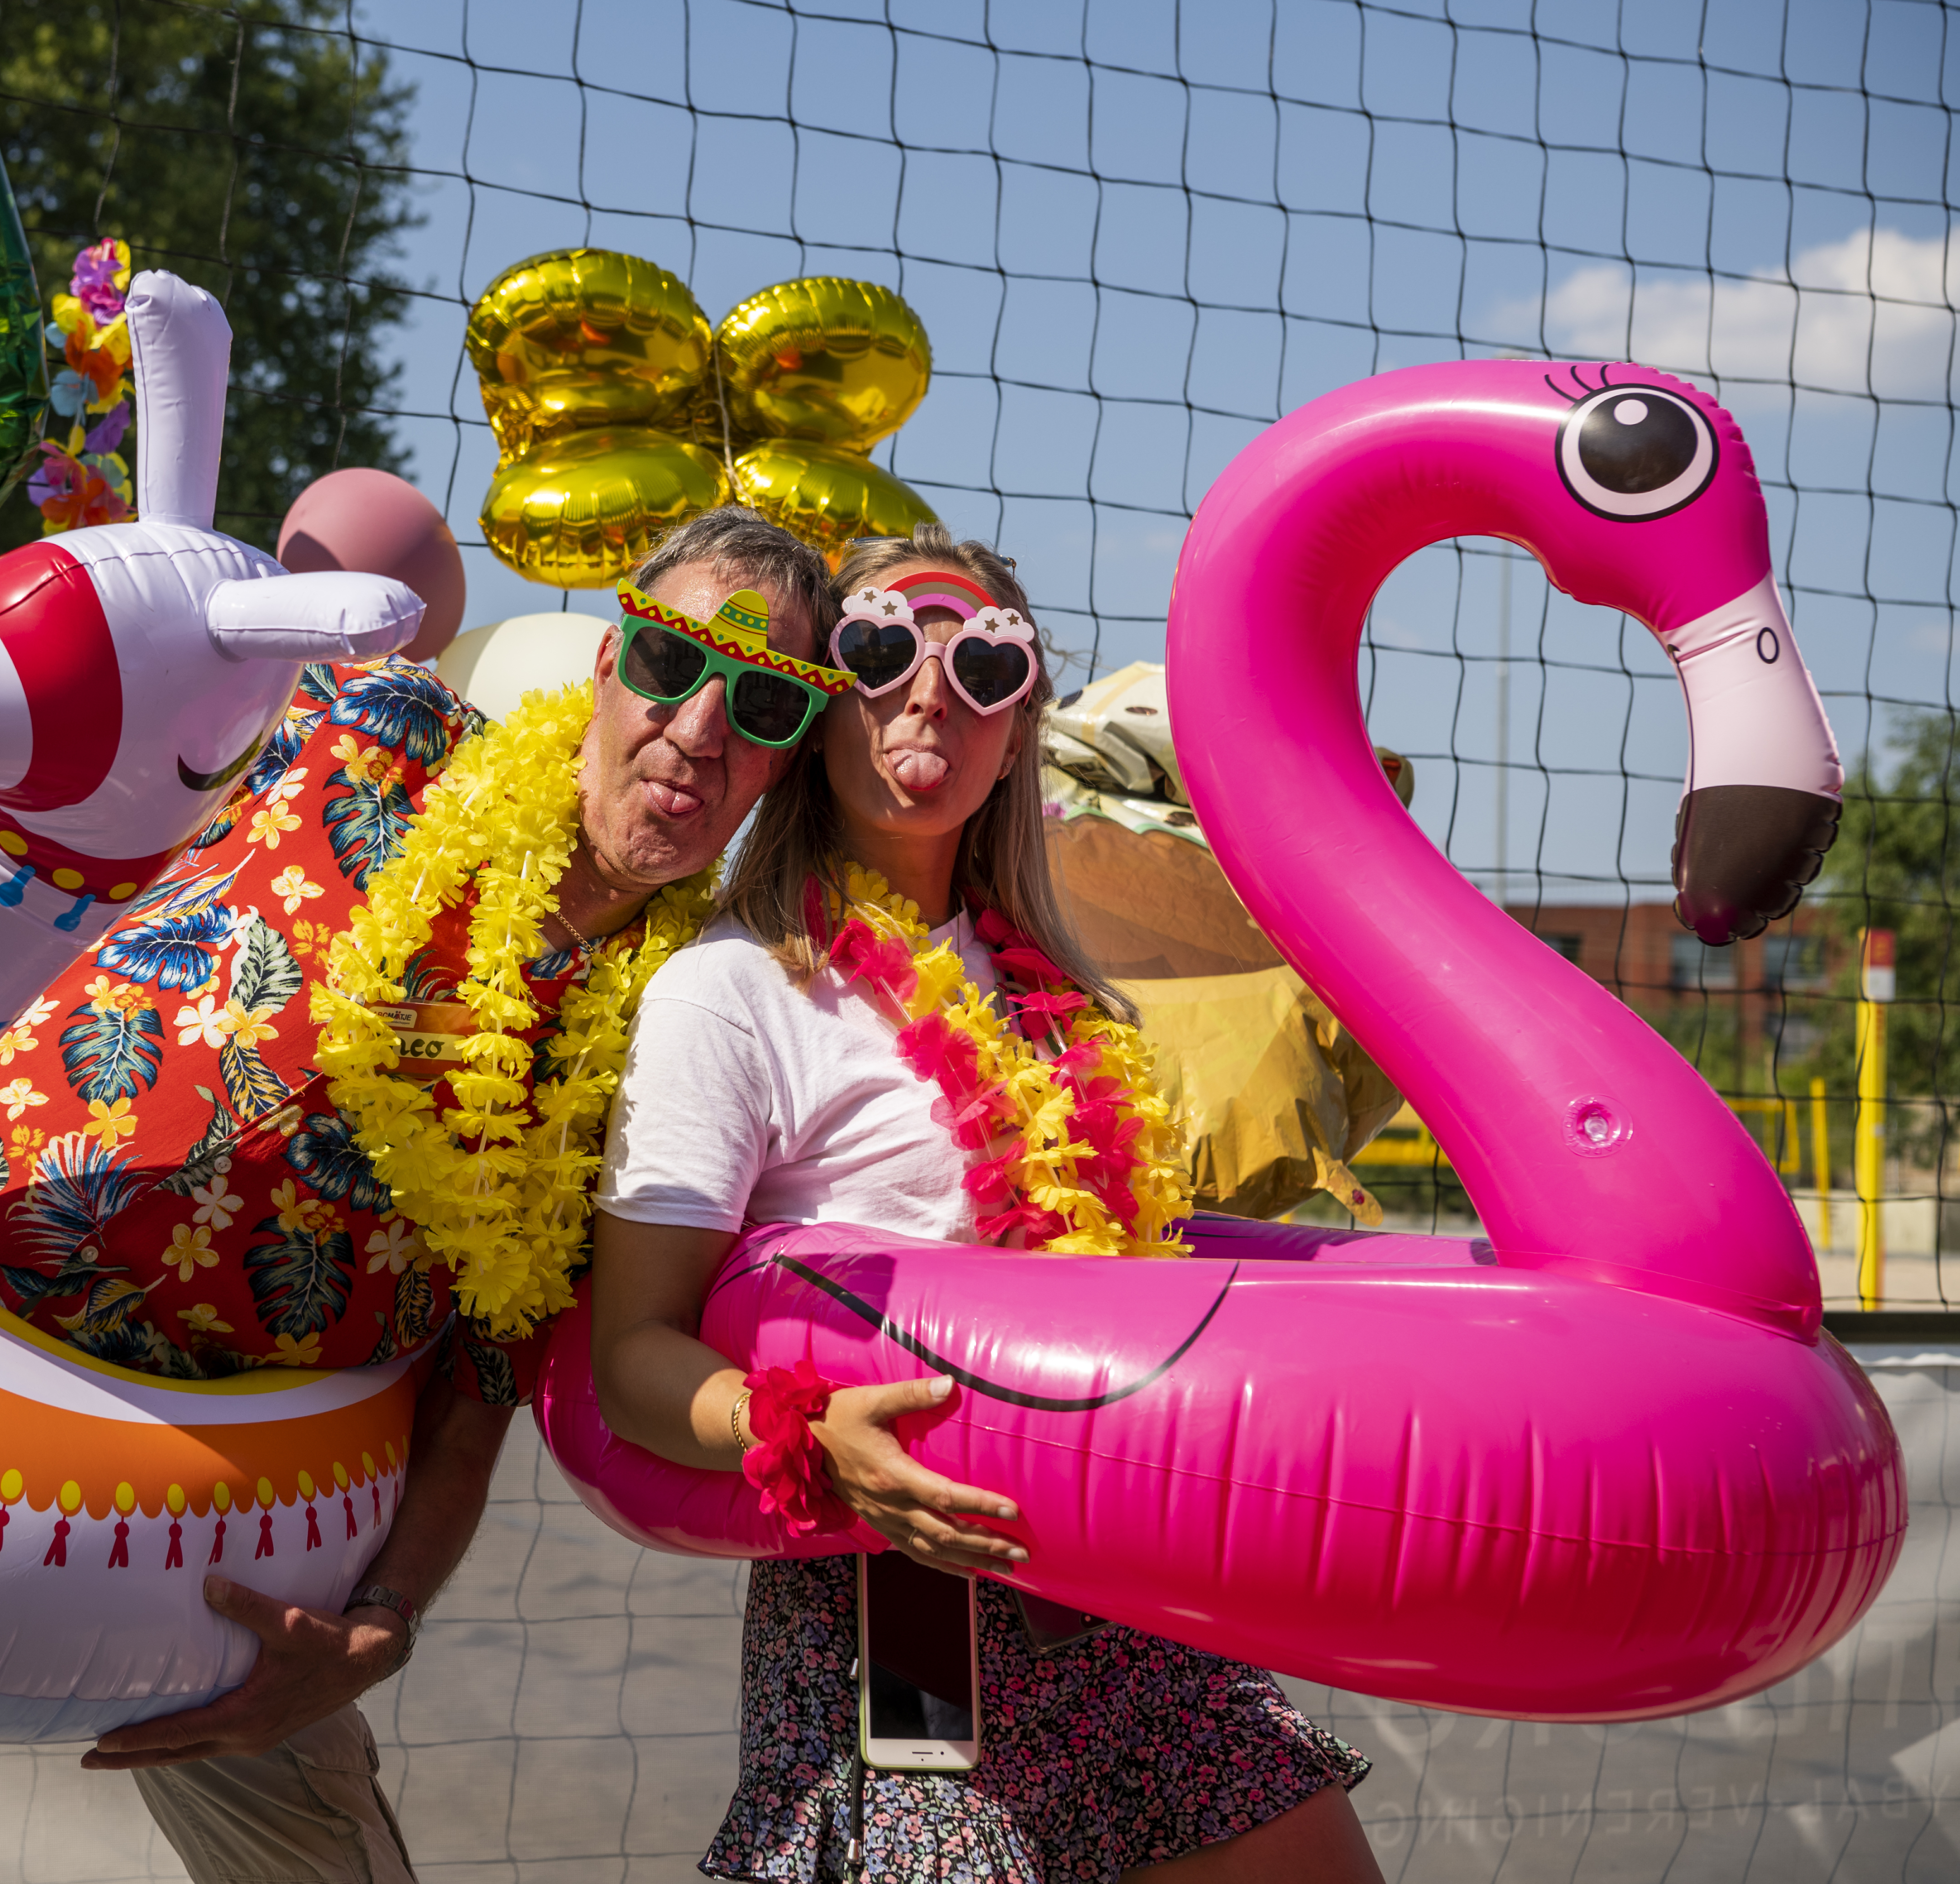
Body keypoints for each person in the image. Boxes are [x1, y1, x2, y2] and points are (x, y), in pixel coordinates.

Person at [0, 507, 833, 1884]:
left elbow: (490, 1366)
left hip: (232, 1521)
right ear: (608, 662)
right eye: (674, 664)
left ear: (786, 756)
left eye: (766, 703)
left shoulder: (676, 1020)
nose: (704, 728)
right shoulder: (380, 730)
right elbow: (22, 765)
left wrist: (385, 1624)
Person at [590, 524, 1380, 1882]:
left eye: (988, 667)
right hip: (901, 1634)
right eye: (883, 647)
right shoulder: (732, 992)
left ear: (1020, 735)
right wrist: (803, 1437)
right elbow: (633, 1359)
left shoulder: (1066, 1006)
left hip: (1128, 1600)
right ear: (827, 702)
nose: (929, 694)